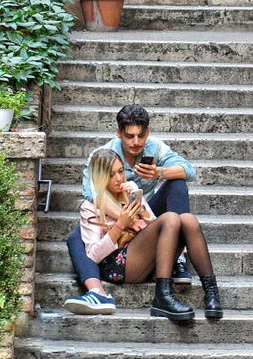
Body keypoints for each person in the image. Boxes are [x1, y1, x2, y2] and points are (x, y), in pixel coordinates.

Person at [64, 104, 197, 315]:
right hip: (114, 218)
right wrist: (127, 218)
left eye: (141, 136)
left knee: (177, 184)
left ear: (148, 132)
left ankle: (178, 259)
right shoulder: (101, 156)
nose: (136, 142)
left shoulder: (156, 148)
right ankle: (95, 292)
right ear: (118, 133)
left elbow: (189, 171)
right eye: (129, 136)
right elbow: (92, 196)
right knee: (76, 235)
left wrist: (158, 172)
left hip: (148, 212)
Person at [78, 148, 223, 323]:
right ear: (101, 178)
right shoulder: (90, 207)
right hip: (117, 265)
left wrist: (142, 211)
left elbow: (159, 226)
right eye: (111, 175)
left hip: (144, 258)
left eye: (121, 171)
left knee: (187, 219)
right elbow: (93, 255)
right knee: (170, 218)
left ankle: (211, 292)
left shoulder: (130, 189)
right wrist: (120, 225)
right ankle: (163, 296)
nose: (118, 179)